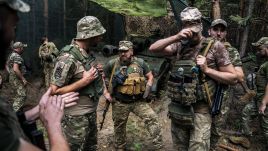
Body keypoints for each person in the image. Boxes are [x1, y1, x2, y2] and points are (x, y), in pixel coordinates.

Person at [149, 7, 237, 150]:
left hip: (201, 111)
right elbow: (153, 49)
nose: (192, 34)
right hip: (178, 109)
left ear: (201, 26)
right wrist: (177, 37)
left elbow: (233, 78)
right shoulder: (179, 44)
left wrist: (207, 70)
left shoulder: (215, 46)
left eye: (195, 28)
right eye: (188, 26)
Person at [0, 0, 79, 150]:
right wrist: (53, 124)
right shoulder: (45, 47)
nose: (12, 36)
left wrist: (38, 110)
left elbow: (6, 123)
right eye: (12, 27)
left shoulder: (50, 47)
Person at [50, 16, 110, 151]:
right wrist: (84, 82)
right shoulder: (67, 58)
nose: (101, 37)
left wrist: (96, 73)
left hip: (90, 114)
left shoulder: (86, 54)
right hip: (75, 118)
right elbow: (53, 90)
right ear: (89, 35)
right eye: (98, 34)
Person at [103, 40, 163, 150]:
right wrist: (105, 92)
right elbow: (103, 77)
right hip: (120, 102)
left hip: (138, 101)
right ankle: (120, 147)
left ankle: (159, 146)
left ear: (131, 51)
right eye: (121, 51)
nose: (122, 54)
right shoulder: (112, 63)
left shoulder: (140, 63)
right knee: (119, 126)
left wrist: (147, 89)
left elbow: (150, 76)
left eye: (125, 51)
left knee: (152, 118)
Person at [208, 19, 245, 147]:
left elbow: (239, 77)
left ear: (225, 34)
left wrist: (222, 65)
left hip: (221, 96)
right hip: (201, 96)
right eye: (215, 30)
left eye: (222, 31)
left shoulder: (231, 51)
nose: (218, 34)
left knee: (215, 130)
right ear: (209, 31)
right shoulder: (202, 47)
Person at [241, 37, 268, 149]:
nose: (258, 52)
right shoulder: (265, 63)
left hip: (264, 98)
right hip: (259, 96)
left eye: (260, 49)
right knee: (246, 112)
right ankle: (247, 138)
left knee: (266, 126)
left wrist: (264, 103)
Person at [6, 41, 28, 111]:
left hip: (13, 78)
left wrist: (10, 72)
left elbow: (6, 64)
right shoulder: (17, 56)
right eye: (22, 48)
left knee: (17, 95)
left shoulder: (11, 55)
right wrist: (23, 79)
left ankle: (16, 111)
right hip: (17, 79)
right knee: (22, 95)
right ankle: (14, 112)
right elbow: (16, 69)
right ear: (19, 48)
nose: (23, 49)